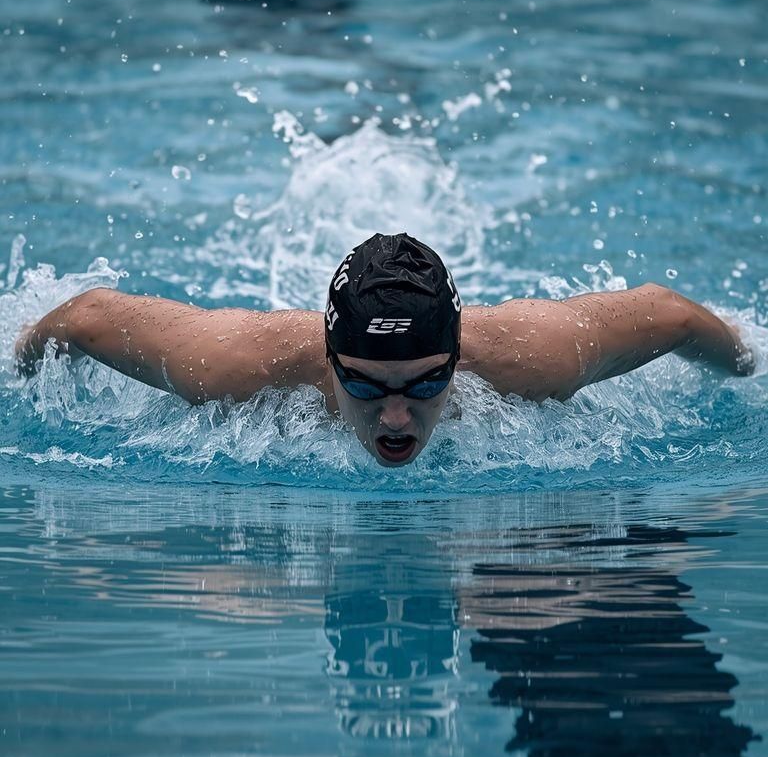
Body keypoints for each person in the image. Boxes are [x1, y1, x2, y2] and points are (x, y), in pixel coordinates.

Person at [14, 233, 755, 467]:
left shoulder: (537, 358)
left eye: (425, 384)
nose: (395, 417)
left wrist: (755, 374)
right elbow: (85, 317)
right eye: (365, 388)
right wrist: (17, 383)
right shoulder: (236, 367)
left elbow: (671, 315)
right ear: (329, 361)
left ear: (458, 359)